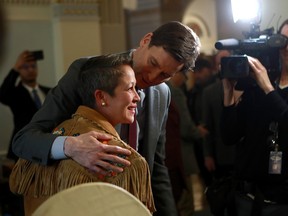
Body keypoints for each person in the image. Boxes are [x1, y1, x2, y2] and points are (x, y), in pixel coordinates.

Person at [12, 21, 201, 216]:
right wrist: (71, 146)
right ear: (146, 40)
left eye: (165, 75)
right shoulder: (86, 71)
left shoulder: (162, 93)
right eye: (153, 63)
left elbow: (157, 167)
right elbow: (24, 140)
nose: (152, 77)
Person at [9, 54, 156, 215]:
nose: (137, 97)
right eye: (130, 88)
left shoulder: (37, 148)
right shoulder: (123, 160)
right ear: (101, 97)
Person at [221, 19, 288, 216]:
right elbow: (229, 136)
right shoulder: (258, 84)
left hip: (282, 202)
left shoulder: (265, 85)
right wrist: (228, 94)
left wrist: (268, 88)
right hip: (247, 199)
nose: (287, 47)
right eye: (283, 40)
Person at [167, 71, 208, 215]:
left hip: (168, 155)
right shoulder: (175, 93)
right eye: (184, 76)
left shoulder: (159, 90)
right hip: (182, 154)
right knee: (187, 202)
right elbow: (185, 127)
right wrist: (198, 132)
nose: (184, 81)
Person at [0, 50, 51, 161]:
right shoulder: (15, 93)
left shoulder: (49, 91)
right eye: (25, 67)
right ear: (19, 70)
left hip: (47, 144)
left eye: (33, 66)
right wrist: (15, 68)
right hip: (23, 147)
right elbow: (2, 95)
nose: (30, 70)